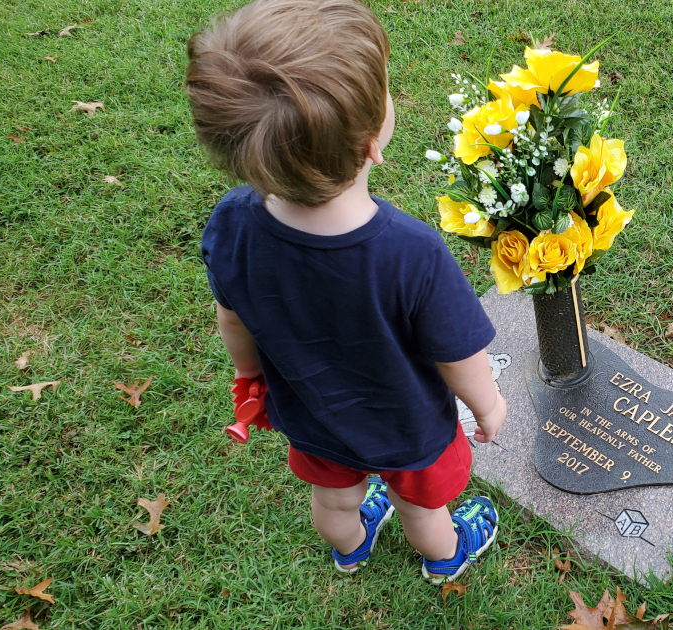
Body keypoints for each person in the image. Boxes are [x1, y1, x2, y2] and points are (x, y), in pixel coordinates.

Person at [184, 0, 505, 584]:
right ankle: (445, 555)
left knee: (332, 499)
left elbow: (232, 320)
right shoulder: (414, 253)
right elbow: (459, 357)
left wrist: (247, 375)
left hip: (311, 414)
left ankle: (350, 547)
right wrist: (489, 406)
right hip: (409, 427)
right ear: (371, 146)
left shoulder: (231, 223)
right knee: (421, 506)